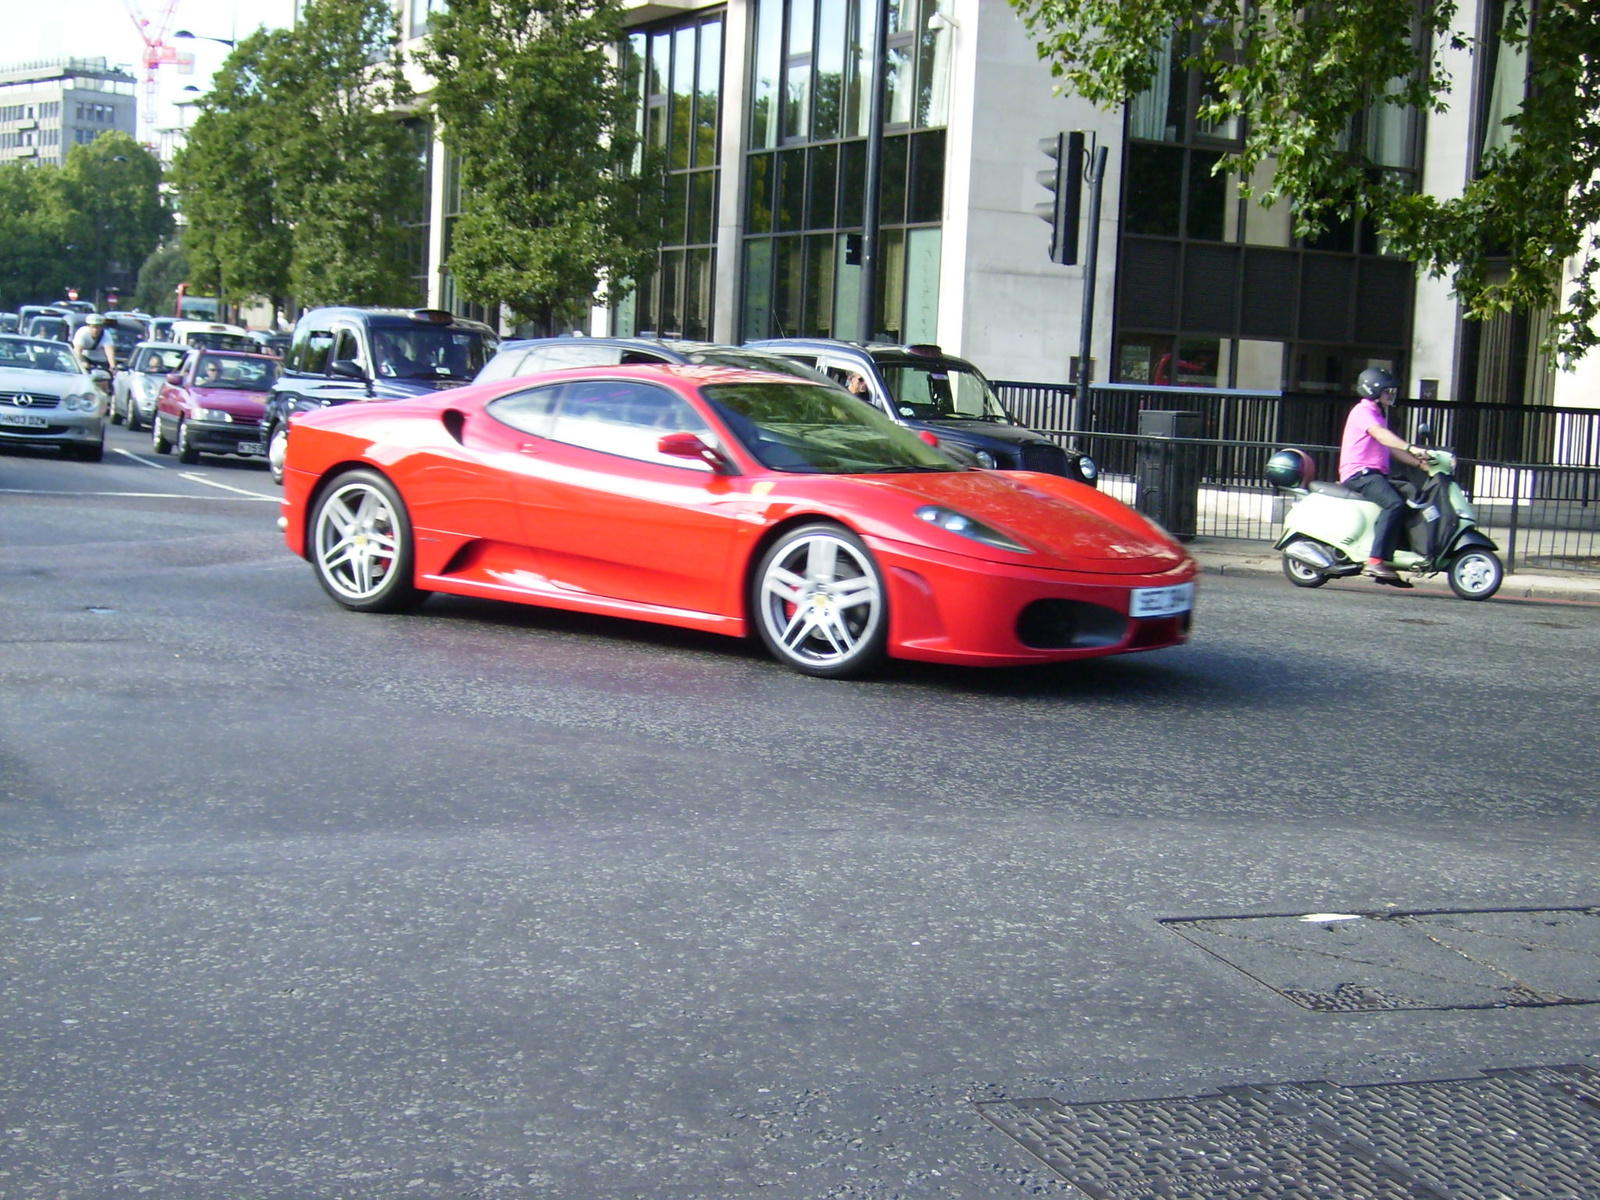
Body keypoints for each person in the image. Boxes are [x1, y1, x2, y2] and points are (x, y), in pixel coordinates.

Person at [1338, 367, 1430, 585]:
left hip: (1374, 474)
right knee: (1394, 504)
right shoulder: (1363, 412)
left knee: (1410, 496)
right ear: (1373, 391)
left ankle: (1392, 558)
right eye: (1387, 391)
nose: (1391, 395)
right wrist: (1412, 447)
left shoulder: (1377, 414)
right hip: (1359, 473)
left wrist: (1420, 463)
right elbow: (1382, 436)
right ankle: (1375, 560)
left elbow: (1393, 449)